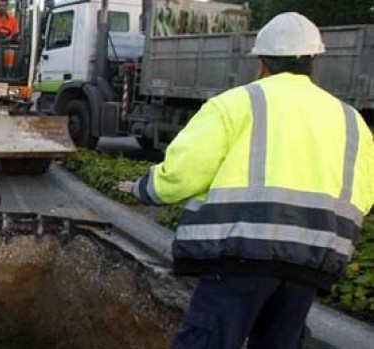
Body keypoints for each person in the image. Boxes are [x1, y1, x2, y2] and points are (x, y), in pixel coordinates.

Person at [118, 13, 374, 348]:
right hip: (311, 265)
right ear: (314, 62)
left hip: (240, 257)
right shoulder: (351, 119)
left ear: (262, 63)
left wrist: (143, 188)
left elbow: (182, 172)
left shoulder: (236, 104)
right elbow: (363, 195)